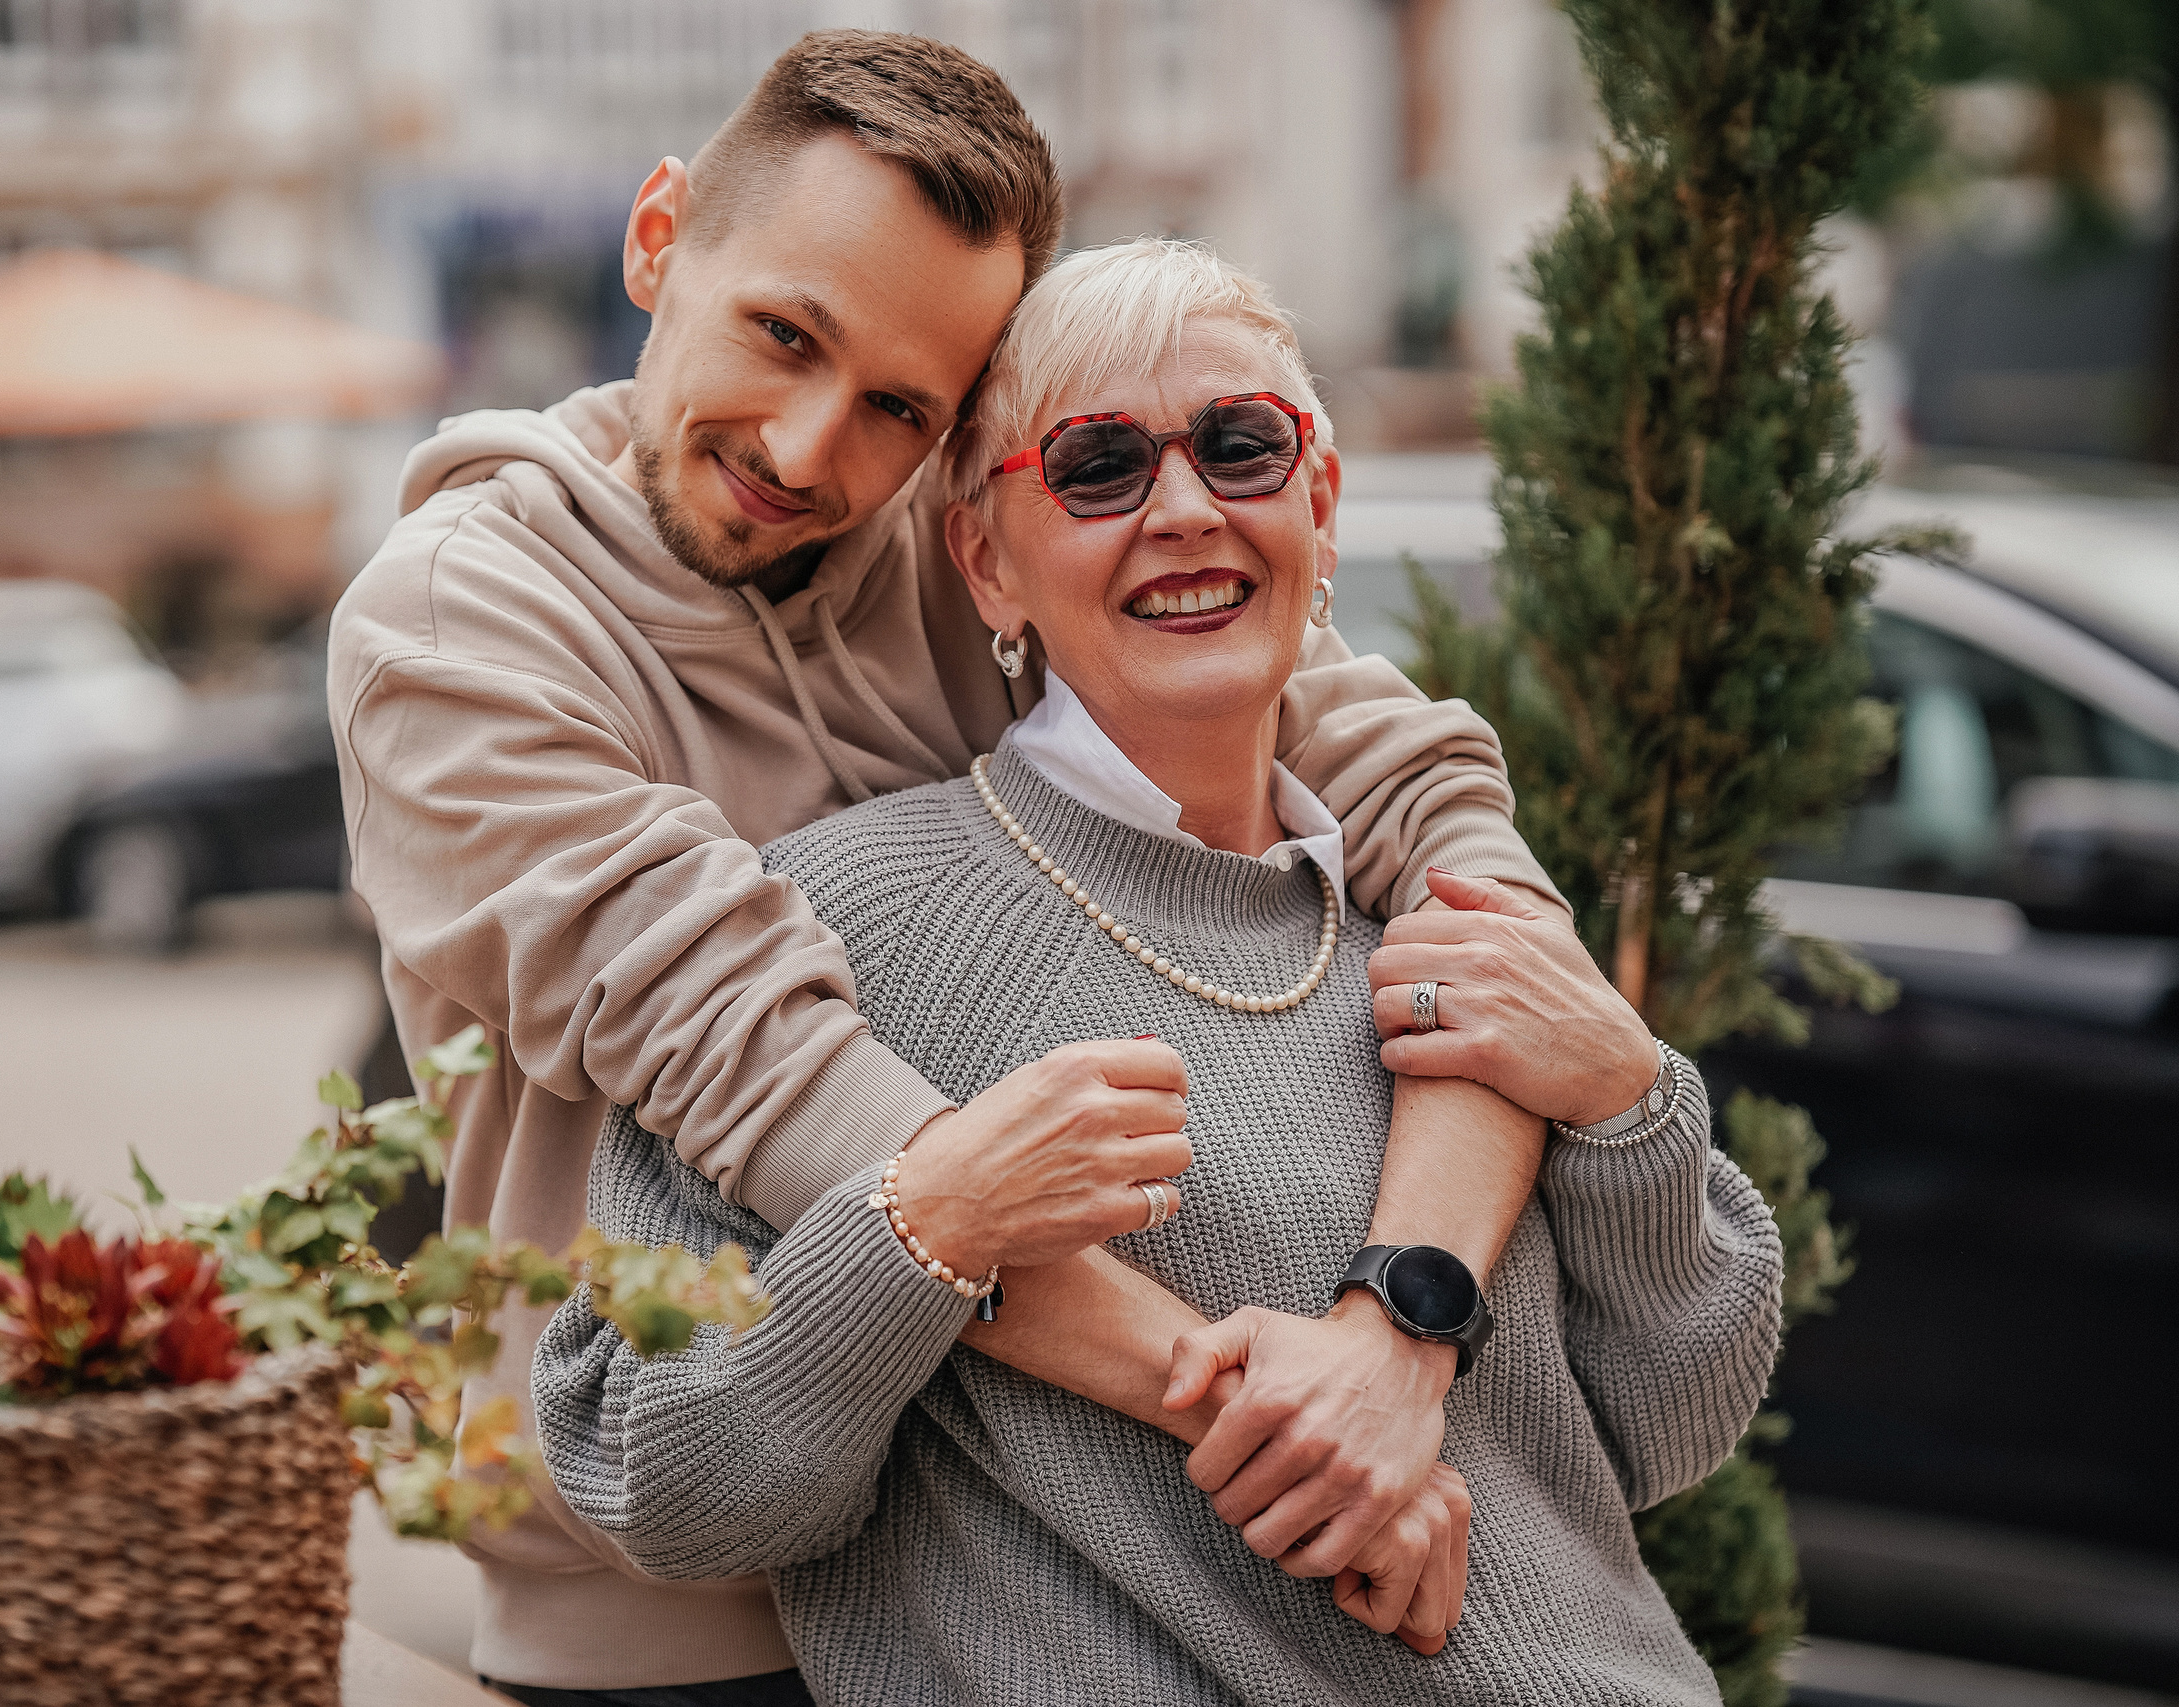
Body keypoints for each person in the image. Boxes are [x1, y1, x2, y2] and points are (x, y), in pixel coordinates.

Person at [332, 31, 1573, 1702]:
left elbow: (1395, 781)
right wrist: (1312, 1437)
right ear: (657, 239)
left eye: (901, 408)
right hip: (689, 1616)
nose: (807, 448)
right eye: (785, 334)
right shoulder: (455, 626)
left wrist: (1398, 1332)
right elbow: (768, 1075)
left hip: (1041, 1573)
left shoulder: (959, 533)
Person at [530, 238, 1785, 1705]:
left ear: (1319, 499)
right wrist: (926, 1228)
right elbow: (651, 1474)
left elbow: (1665, 1432)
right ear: (986, 561)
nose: (1186, 512)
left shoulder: (1442, 924)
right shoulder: (840, 928)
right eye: (1100, 465)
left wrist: (1633, 1099)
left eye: (1243, 448)